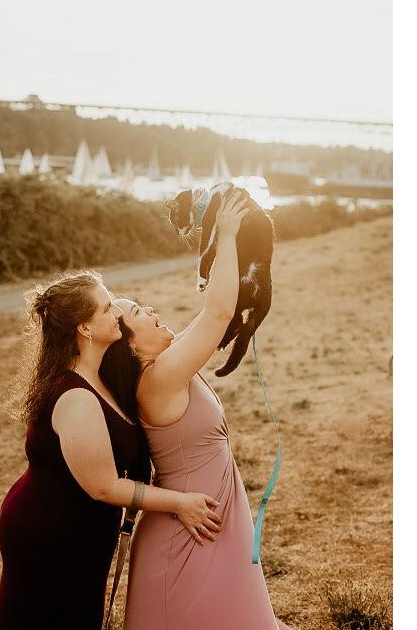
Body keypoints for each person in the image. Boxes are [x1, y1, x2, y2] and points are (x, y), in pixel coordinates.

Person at [0, 271, 223, 630]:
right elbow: (103, 486)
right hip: (49, 532)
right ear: (84, 328)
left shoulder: (102, 375)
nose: (118, 312)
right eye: (107, 307)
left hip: (81, 529)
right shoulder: (76, 398)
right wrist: (180, 502)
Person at [108, 192, 292, 630]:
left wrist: (229, 245)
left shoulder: (167, 366)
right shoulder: (158, 379)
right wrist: (225, 234)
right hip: (187, 536)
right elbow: (218, 312)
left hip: (209, 522)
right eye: (139, 313)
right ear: (128, 345)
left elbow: (215, 312)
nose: (152, 311)